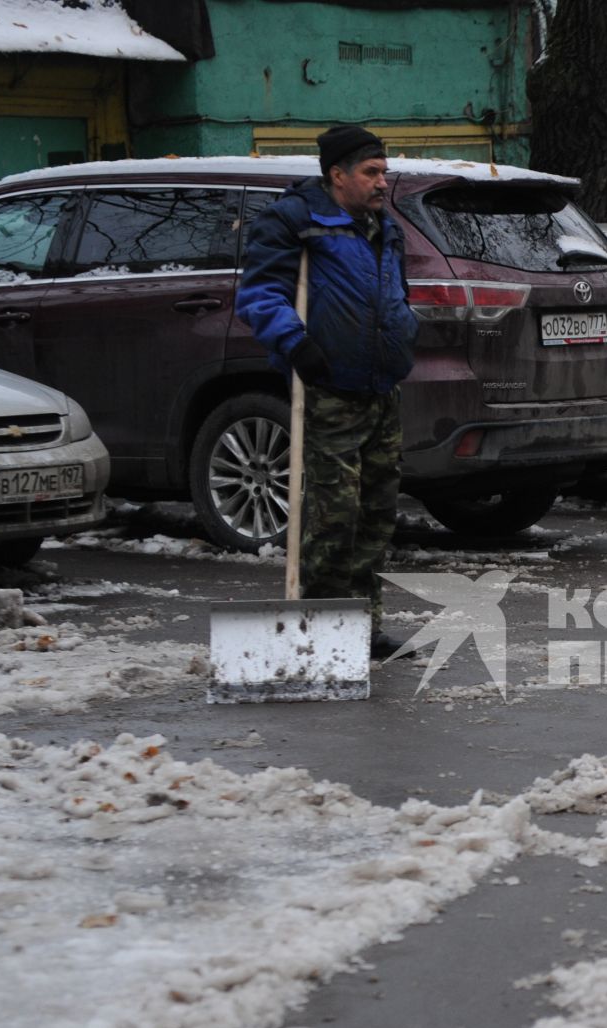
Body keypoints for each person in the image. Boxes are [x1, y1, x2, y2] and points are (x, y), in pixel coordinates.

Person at [236, 124, 417, 657]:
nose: (382, 183)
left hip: (381, 386)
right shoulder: (296, 220)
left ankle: (363, 622)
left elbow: (395, 291)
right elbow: (261, 293)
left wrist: (405, 331)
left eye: (385, 172)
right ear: (337, 175)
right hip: (330, 387)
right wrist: (297, 344)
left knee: (377, 513)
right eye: (371, 172)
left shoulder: (384, 225)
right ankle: (320, 624)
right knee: (333, 516)